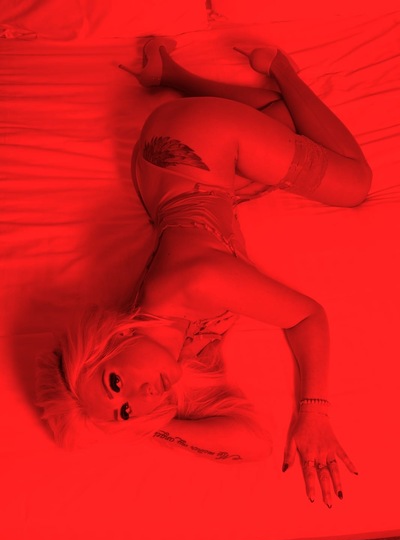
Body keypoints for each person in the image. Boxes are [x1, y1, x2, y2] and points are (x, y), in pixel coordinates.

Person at [37, 39, 371, 508]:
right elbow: (252, 445)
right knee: (280, 116)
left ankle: (280, 65)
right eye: (125, 410)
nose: (142, 394)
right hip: (163, 177)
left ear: (111, 342)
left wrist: (314, 412)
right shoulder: (167, 349)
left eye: (115, 383)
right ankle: (169, 75)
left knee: (355, 184)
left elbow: (307, 316)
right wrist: (148, 426)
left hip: (191, 142)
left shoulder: (194, 284)